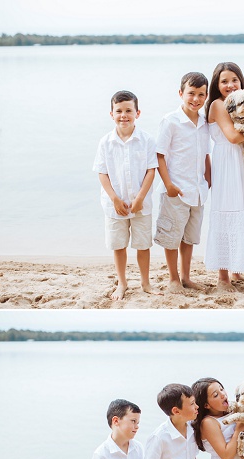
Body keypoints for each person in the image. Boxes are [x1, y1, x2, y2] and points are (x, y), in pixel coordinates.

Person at [204, 62, 244, 290]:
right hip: (227, 163)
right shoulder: (217, 105)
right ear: (217, 85)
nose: (230, 85)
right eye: (224, 81)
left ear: (241, 81)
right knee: (227, 211)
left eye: (234, 80)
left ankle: (237, 270)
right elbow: (233, 137)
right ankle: (223, 277)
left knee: (243, 210)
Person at [92, 90, 158, 301]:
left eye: (128, 111)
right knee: (118, 245)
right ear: (111, 114)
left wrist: (139, 198)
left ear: (137, 113)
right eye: (119, 111)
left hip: (141, 203)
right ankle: (122, 283)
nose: (124, 115)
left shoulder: (146, 140)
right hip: (115, 204)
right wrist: (114, 198)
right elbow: (102, 173)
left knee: (142, 245)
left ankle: (145, 283)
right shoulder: (105, 142)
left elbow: (151, 170)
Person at [154, 72, 212, 293]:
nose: (195, 99)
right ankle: (173, 279)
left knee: (189, 237)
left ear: (206, 96)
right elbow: (159, 155)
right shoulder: (171, 121)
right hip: (175, 190)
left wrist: (209, 177)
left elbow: (206, 153)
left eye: (200, 94)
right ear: (181, 93)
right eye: (191, 94)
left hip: (197, 190)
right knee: (172, 237)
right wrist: (168, 184)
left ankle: (186, 277)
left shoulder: (205, 122)